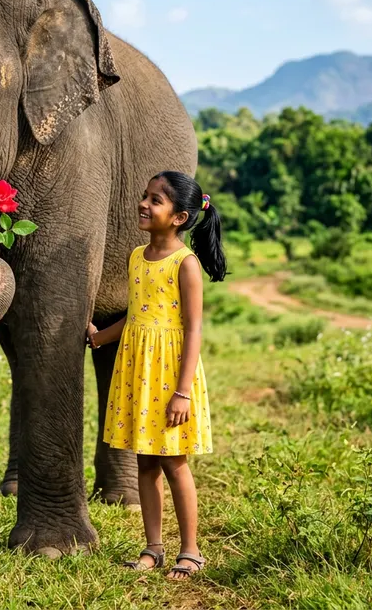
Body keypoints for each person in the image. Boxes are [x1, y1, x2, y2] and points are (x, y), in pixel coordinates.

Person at [86, 171, 226, 579]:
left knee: (175, 464)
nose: (144, 204)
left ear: (180, 217)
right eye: (145, 196)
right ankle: (153, 547)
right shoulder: (135, 257)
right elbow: (135, 314)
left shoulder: (186, 264)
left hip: (169, 374)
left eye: (156, 200)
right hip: (138, 370)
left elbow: (194, 328)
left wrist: (183, 392)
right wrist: (99, 338)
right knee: (145, 463)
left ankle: (192, 550)